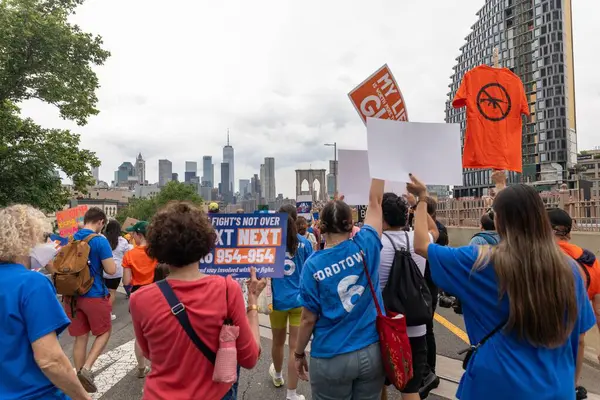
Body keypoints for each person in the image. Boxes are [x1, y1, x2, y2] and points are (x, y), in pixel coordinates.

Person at [408, 171, 595, 400]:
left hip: (496, 386)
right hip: (557, 387)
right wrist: (568, 385)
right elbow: (580, 338)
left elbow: (420, 245)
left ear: (499, 221)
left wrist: (422, 200)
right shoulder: (569, 270)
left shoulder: (480, 262)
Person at [130, 201, 265, 400]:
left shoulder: (139, 299)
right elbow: (250, 357)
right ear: (204, 242)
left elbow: (149, 353)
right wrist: (252, 304)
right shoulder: (227, 289)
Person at [295, 179, 386, 400]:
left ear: (321, 226)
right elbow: (375, 202)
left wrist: (298, 353)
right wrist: (380, 167)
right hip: (371, 350)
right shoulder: (366, 245)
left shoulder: (313, 265)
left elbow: (308, 318)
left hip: (331, 355)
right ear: (351, 223)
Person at [0, 204, 91, 400]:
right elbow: (50, 360)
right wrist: (83, 397)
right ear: (26, 241)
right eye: (43, 237)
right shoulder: (32, 284)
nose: (49, 243)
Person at [378, 193, 438, 400]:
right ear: (405, 216)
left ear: (381, 216)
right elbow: (434, 231)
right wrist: (419, 203)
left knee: (378, 384)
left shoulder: (374, 245)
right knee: (411, 390)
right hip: (416, 330)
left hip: (384, 328)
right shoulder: (419, 241)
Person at [547, 207, 600, 399]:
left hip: (545, 335)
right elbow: (599, 308)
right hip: (576, 336)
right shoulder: (591, 261)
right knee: (579, 342)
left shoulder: (543, 258)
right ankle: (573, 386)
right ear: (568, 231)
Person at [64, 207, 117, 393]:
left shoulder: (70, 239)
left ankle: (79, 378)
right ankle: (86, 369)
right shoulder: (99, 241)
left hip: (71, 296)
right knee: (104, 332)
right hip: (94, 294)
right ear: (101, 222)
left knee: (81, 337)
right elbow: (110, 270)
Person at [269, 205, 313, 400]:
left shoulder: (271, 243)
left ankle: (277, 376)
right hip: (299, 301)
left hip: (277, 301)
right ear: (296, 219)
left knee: (277, 343)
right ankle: (292, 394)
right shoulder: (305, 243)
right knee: (295, 347)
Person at [122, 220, 158, 378]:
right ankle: (157, 367)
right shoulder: (157, 252)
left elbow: (126, 281)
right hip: (157, 293)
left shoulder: (129, 254)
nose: (132, 236)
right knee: (158, 332)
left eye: (133, 234)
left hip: (138, 295)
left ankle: (141, 368)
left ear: (139, 234)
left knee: (139, 335)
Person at [421, 197, 448, 398]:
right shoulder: (439, 228)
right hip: (431, 285)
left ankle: (427, 371)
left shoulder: (434, 231)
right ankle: (428, 369)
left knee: (425, 329)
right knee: (426, 329)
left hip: (426, 285)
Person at [103, 219, 131, 321]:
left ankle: (101, 313)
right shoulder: (123, 241)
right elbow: (127, 256)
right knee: (112, 293)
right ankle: (108, 314)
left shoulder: (103, 239)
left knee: (102, 293)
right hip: (116, 272)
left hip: (103, 269)